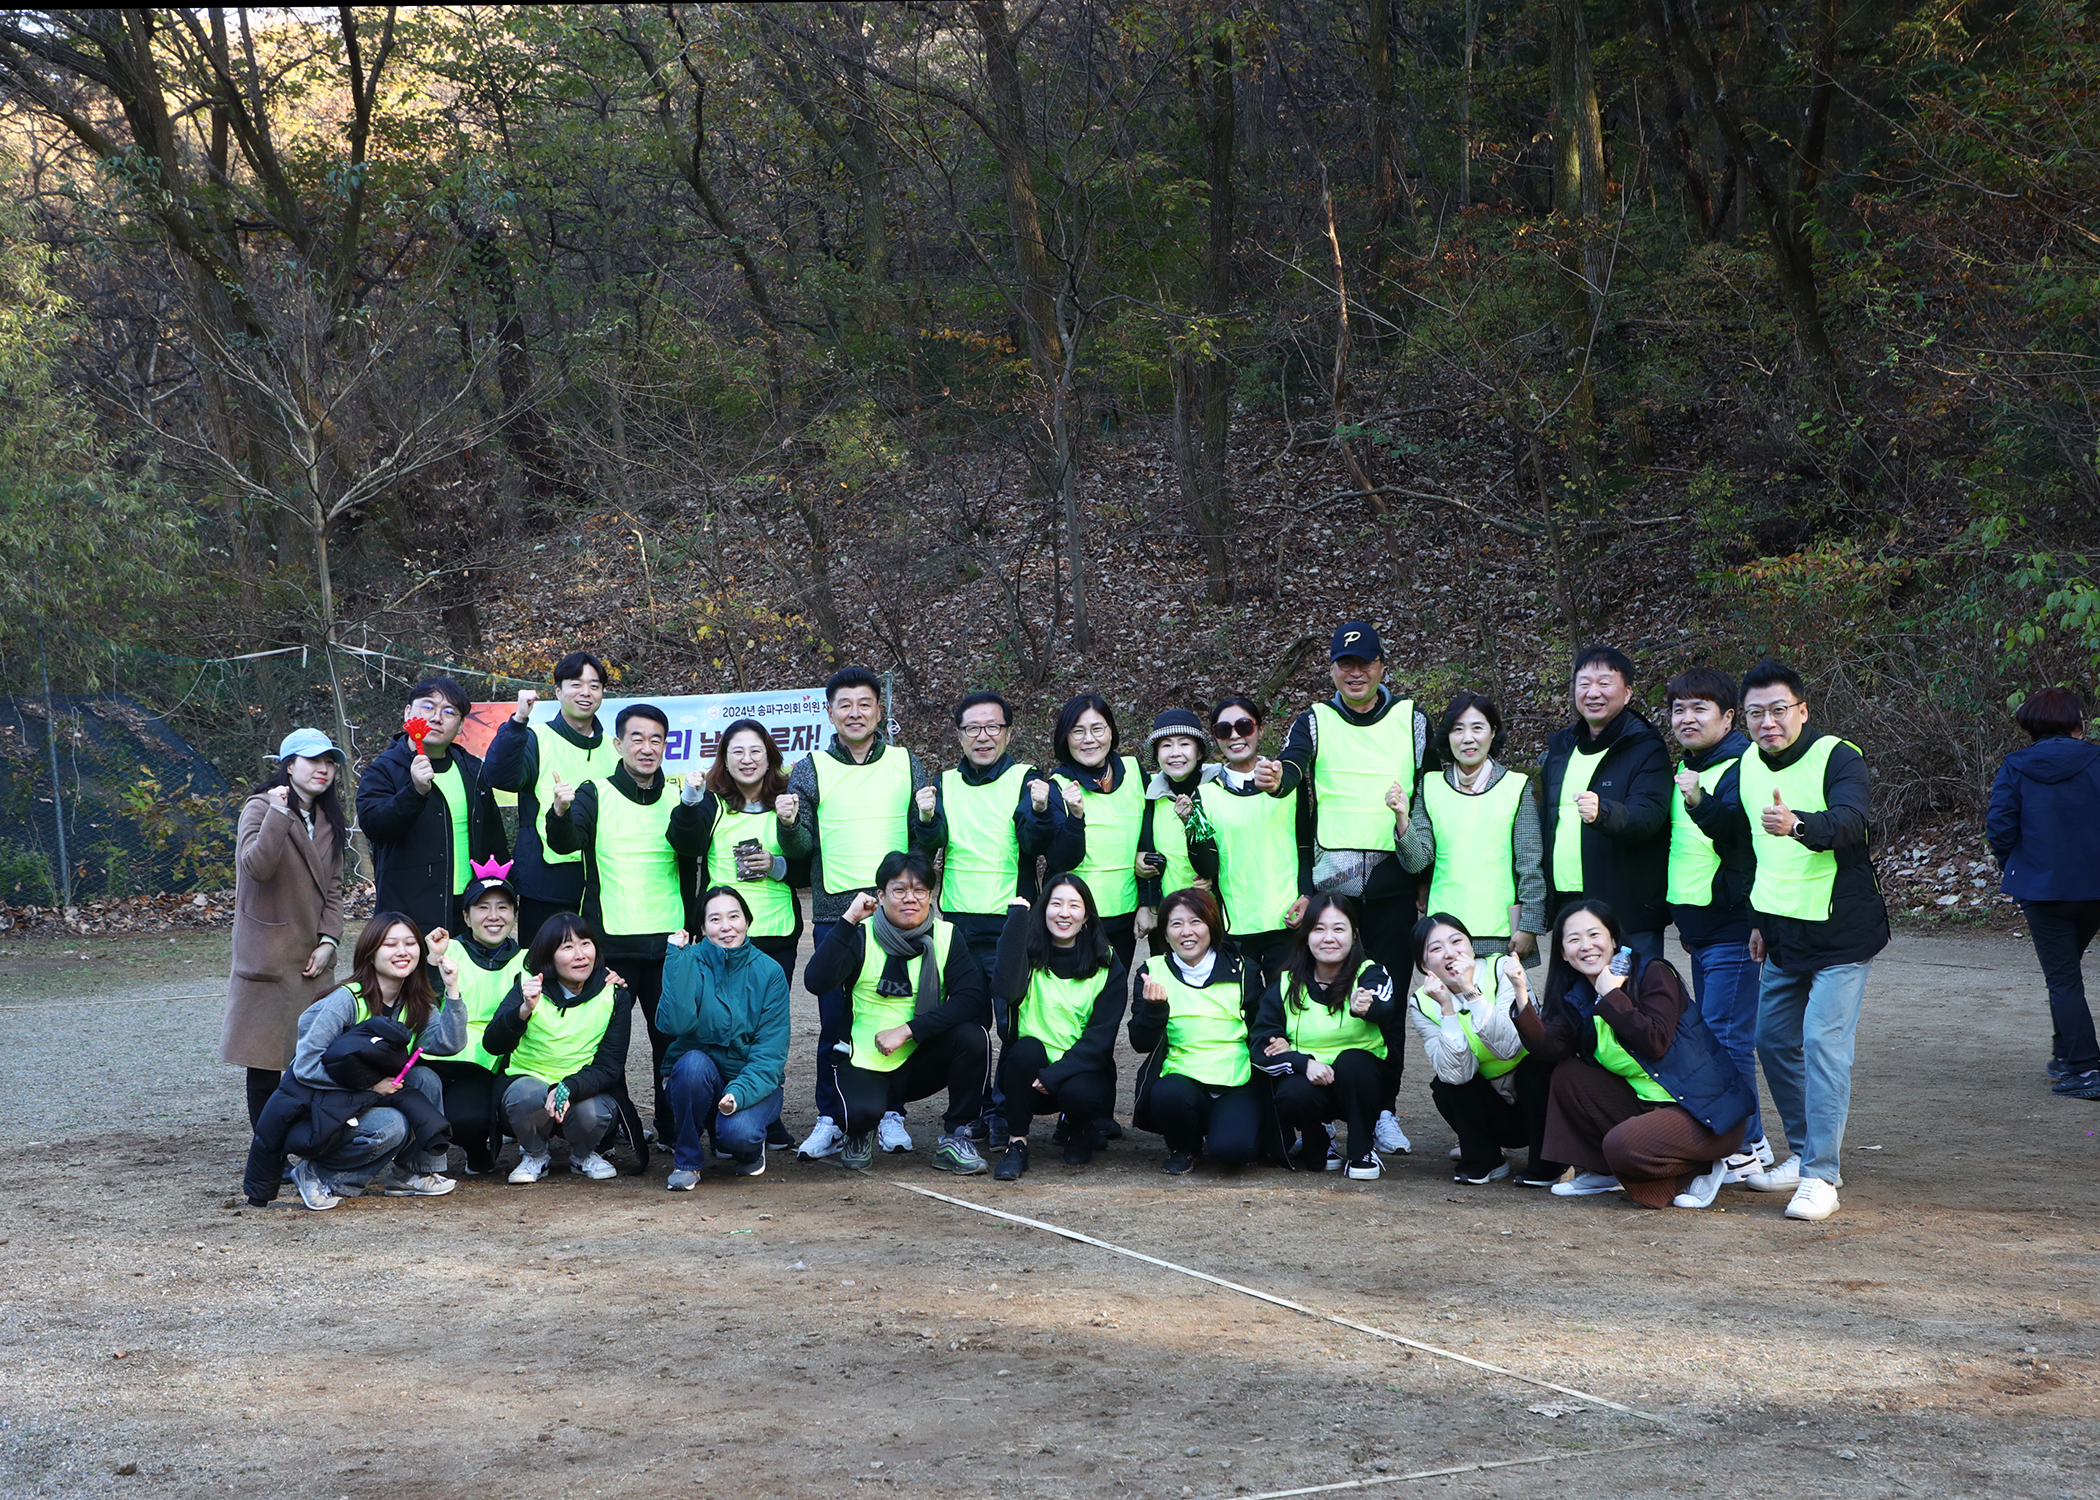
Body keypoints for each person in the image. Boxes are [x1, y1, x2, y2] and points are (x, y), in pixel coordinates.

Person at [1718, 660, 1891, 1222]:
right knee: (1771, 1041)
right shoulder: (1744, 763)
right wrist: (1759, 924)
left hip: (1842, 930)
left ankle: (1822, 1175)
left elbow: (1849, 823)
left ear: (1802, 711)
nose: (1768, 722)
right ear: (1743, 719)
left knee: (1822, 1043)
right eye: (1756, 713)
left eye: (1778, 710)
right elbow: (1747, 850)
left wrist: (1796, 824)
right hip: (1782, 931)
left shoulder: (1839, 756)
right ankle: (1802, 1151)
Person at [787, 667, 943, 1162]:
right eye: (844, 704)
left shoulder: (905, 762)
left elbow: (927, 844)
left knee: (894, 1011)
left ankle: (891, 1113)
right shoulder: (809, 766)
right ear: (829, 711)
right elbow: (801, 849)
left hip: (897, 917)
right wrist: (788, 824)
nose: (855, 712)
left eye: (865, 703)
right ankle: (830, 1117)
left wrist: (926, 817)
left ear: (880, 709)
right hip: (838, 915)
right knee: (835, 1020)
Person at [1516, 899, 1756, 1209]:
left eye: (1594, 935)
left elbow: (1654, 1041)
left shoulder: (1653, 974)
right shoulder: (1576, 994)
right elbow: (1550, 1049)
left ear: (1614, 940)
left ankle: (1703, 1168)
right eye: (1573, 939)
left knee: (1621, 1146)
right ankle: (1604, 1171)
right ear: (1563, 953)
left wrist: (1612, 995)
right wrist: (1521, 996)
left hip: (1705, 1116)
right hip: (1651, 1109)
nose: (1586, 946)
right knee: (1567, 1075)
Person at [544, 702, 698, 1138]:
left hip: (671, 941)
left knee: (670, 1039)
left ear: (667, 746)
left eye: (656, 739)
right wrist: (559, 812)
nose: (647, 747)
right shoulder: (595, 792)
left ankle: (670, 1128)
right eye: (637, 738)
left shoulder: (680, 795)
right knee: (608, 1044)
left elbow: (692, 848)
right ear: (618, 743)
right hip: (612, 942)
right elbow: (565, 842)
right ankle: (615, 1130)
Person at [929, 690, 1066, 1142]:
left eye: (993, 727)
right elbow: (924, 839)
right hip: (957, 925)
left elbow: (1035, 844)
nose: (983, 737)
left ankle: (1006, 1111)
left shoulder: (1028, 780)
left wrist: (1043, 810)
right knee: (968, 1025)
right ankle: (970, 1112)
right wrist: (927, 818)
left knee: (1011, 1023)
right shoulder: (943, 783)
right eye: (973, 728)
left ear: (1008, 731)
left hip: (1013, 923)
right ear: (959, 735)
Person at [803, 849, 991, 1174]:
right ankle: (859, 1132)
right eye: (899, 890)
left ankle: (956, 1137)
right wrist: (848, 920)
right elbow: (816, 981)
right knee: (859, 1114)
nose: (910, 899)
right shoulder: (862, 936)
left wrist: (908, 1030)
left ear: (931, 895)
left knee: (974, 1037)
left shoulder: (946, 936)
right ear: (880, 894)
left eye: (920, 890)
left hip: (920, 1057)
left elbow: (971, 999)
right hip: (865, 1057)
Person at [272, 912, 468, 1210]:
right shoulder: (343, 1002)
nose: (402, 952)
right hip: (323, 1109)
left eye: (410, 943)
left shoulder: (414, 1001)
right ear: (370, 953)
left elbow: (449, 1044)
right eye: (390, 944)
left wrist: (451, 988)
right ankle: (318, 1174)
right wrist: (373, 1087)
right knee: (393, 1124)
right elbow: (305, 1067)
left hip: (367, 1098)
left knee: (425, 1079)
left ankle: (414, 1172)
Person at [1275, 622, 1430, 995]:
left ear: (1381, 666)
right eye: (1345, 664)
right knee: (1331, 995)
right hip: (1334, 893)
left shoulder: (1413, 720)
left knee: (1387, 999)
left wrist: (1427, 879)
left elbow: (1430, 798)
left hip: (1395, 889)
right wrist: (1278, 778)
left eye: (1365, 663)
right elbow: (1293, 764)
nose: (1355, 673)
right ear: (1331, 670)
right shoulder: (1313, 720)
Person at [1666, 667, 1771, 1179]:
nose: (1687, 718)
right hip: (1701, 927)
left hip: (1734, 925)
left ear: (1729, 717)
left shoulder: (1740, 766)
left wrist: (1699, 799)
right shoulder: (1689, 766)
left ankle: (1741, 1144)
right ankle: (1751, 1140)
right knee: (1717, 1034)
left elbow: (1741, 841)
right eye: (1679, 709)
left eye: (1699, 708)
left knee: (1726, 1038)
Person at [221, 728, 348, 1131]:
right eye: (313, 760)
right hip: (268, 954)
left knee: (311, 1057)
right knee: (265, 1062)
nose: (323, 769)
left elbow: (334, 886)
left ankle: (306, 1144)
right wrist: (279, 814)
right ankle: (268, 1151)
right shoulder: (260, 807)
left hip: (313, 957)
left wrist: (330, 940)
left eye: (329, 762)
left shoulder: (330, 819)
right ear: (288, 766)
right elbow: (256, 867)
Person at [1988, 688, 2100, 1100]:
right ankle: (2068, 1053)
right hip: (2094, 888)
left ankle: (2086, 1067)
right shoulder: (2097, 760)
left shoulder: (2015, 767)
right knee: (2065, 972)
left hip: (2043, 890)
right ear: (2077, 722)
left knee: (2063, 977)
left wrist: (2017, 867)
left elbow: (2000, 827)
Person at [988, 876, 1128, 1179]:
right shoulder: (1027, 952)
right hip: (1029, 1072)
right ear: (1043, 910)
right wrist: (1015, 922)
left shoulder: (1107, 962)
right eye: (1056, 904)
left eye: (1074, 905)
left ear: (1086, 915)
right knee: (1024, 1051)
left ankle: (1076, 1128)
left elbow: (1100, 1037)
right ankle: (1017, 1144)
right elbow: (1005, 990)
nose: (1064, 913)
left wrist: (1056, 1074)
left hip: (1078, 1070)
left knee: (1082, 1092)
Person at [1537, 646, 1671, 961]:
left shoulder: (1646, 748)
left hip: (1625, 912)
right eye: (1584, 684)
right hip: (1568, 906)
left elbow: (1649, 816)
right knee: (1573, 1004)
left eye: (1604, 683)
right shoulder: (1561, 748)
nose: (1592, 692)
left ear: (1626, 693)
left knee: (1633, 1002)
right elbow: (1546, 821)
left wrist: (1603, 813)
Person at [1253, 894, 1399, 1180]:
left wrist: (1365, 1007)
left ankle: (1362, 1149)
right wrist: (1302, 1062)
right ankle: (1319, 1141)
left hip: (1361, 1085)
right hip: (1311, 1081)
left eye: (1338, 929)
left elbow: (1385, 1004)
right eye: (1319, 929)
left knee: (1354, 1063)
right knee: (1292, 1092)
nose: (1328, 938)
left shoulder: (1370, 974)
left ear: (1354, 934)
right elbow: (1261, 1045)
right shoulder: (1286, 983)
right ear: (1306, 935)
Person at [1409, 913, 1561, 1187]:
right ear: (1423, 964)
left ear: (1471, 944)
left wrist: (1469, 991)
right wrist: (1447, 1009)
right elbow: (1456, 1074)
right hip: (1492, 1107)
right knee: (1445, 1084)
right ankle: (1485, 1159)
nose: (1450, 953)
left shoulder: (1502, 968)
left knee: (1534, 1069)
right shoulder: (1422, 1002)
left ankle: (1547, 1164)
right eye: (1436, 948)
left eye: (1457, 941)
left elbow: (1511, 1046)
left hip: (1537, 1102)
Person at [482, 913, 634, 1184]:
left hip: (583, 1089)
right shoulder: (529, 986)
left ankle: (583, 1155)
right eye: (567, 947)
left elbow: (610, 1066)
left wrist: (568, 1087)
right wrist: (523, 1011)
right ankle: (535, 1153)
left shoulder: (615, 993)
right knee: (526, 1095)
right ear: (548, 955)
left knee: (592, 1111)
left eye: (585, 943)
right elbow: (492, 1043)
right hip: (530, 1084)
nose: (580, 955)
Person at [656, 887, 792, 1189]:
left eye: (734, 916)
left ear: (747, 920)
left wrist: (739, 1094)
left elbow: (770, 1052)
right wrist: (678, 962)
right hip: (700, 1076)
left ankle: (745, 1144)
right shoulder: (686, 960)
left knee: (738, 1135)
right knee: (691, 1065)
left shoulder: (769, 972)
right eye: (715, 919)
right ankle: (687, 1162)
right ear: (702, 928)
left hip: (750, 1082)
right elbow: (674, 1024)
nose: (726, 926)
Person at [1397, 691, 1546, 964]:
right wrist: (1402, 819)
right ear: (1447, 736)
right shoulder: (1430, 786)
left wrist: (1530, 925)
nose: (1468, 738)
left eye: (1477, 727)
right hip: (1443, 934)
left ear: (1493, 732)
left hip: (1502, 934)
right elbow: (1418, 860)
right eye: (1458, 729)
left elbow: (1530, 863)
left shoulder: (1516, 786)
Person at [355, 675, 508, 938]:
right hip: (408, 914)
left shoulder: (473, 770)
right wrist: (414, 792)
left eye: (449, 712)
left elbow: (495, 840)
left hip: (469, 911)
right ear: (408, 713)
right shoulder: (384, 769)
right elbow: (375, 827)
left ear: (460, 725)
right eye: (428, 707)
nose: (437, 717)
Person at [1129, 886, 1266, 1174]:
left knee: (1232, 1153)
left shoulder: (1243, 970)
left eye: (1196, 921)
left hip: (1236, 1081)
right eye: (1176, 923)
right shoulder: (1151, 971)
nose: (1186, 931)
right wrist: (1154, 1010)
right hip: (1182, 1078)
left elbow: (1262, 1029)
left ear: (1212, 926)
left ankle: (1234, 1128)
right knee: (1167, 1094)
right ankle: (1185, 1146)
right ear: (1165, 933)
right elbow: (1140, 1042)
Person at [482, 651, 617, 940]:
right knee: (541, 970)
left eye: (594, 686)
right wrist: (518, 720)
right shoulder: (535, 737)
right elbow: (500, 776)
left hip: (603, 880)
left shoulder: (614, 748)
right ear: (558, 691)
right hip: (545, 881)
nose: (586, 692)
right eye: (576, 684)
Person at [669, 716, 810, 985]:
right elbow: (686, 845)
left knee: (768, 1018)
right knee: (720, 1017)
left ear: (769, 759)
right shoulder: (712, 802)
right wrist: (689, 801)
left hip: (776, 934)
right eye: (738, 752)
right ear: (725, 759)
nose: (747, 759)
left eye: (756, 751)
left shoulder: (788, 800)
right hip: (721, 934)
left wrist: (775, 866)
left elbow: (808, 865)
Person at [1187, 696, 1306, 986]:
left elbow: (1305, 845)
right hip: (1235, 926)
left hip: (1288, 921)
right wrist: (1191, 826)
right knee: (1246, 1012)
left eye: (1244, 725)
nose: (1236, 736)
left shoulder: (1288, 783)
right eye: (1224, 730)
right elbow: (1206, 865)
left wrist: (1307, 896)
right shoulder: (1205, 794)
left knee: (1287, 1010)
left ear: (1260, 730)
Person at [422, 859, 529, 1176]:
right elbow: (419, 998)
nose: (494, 917)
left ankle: (488, 1142)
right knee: (448, 1112)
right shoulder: (447, 950)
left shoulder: (527, 961)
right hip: (445, 1058)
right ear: (466, 917)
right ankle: (454, 1149)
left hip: (498, 1063)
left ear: (514, 915)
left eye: (503, 908)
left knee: (476, 1115)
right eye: (482, 908)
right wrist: (432, 960)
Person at [1046, 693, 1148, 974]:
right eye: (1078, 731)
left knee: (1112, 1003)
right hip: (1076, 919)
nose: (1089, 739)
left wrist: (1148, 902)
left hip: (1125, 916)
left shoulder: (1134, 772)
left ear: (1111, 732)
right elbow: (1059, 858)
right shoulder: (1058, 785)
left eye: (1097, 729)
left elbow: (1151, 840)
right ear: (1065, 738)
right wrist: (1075, 817)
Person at [1138, 708, 1219, 928]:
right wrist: (1147, 904)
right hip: (1168, 914)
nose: (1175, 753)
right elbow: (1145, 852)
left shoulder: (1220, 789)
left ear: (1199, 752)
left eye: (1184, 744)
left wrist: (1216, 880)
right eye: (1166, 745)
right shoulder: (1152, 796)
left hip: (1217, 913)